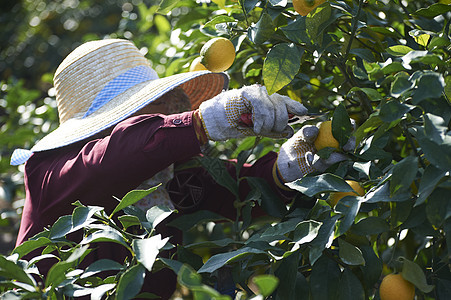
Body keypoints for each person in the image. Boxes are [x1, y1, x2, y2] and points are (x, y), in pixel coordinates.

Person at [11, 39, 341, 298]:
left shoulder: (170, 172)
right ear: (105, 125)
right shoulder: (50, 172)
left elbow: (237, 189)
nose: (172, 110)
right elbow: (109, 160)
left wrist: (288, 168)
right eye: (153, 108)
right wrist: (201, 122)